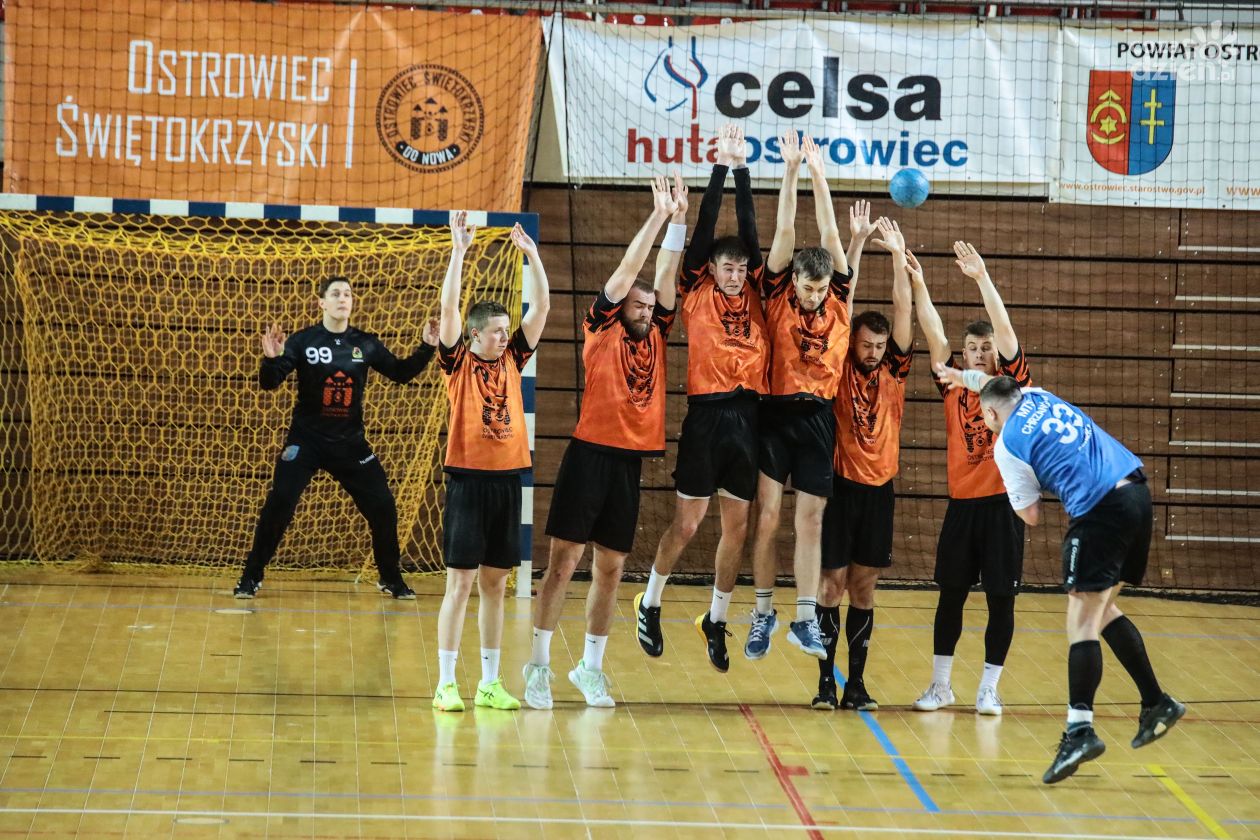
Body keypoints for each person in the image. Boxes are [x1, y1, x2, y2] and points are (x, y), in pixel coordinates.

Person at [934, 369, 1186, 783]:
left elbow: (1031, 515)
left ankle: (1080, 731)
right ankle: (1156, 702)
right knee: (1102, 612)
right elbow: (992, 385)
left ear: (991, 415)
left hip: (1100, 509)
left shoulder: (1006, 446)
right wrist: (961, 377)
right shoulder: (1039, 395)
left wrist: (1018, 488)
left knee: (1080, 622)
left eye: (986, 416)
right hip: (1137, 494)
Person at [523, 176, 684, 709]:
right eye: (636, 305)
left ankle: (589, 669)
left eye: (648, 307)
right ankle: (538, 665)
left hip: (628, 464)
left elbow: (666, 273)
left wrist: (679, 218)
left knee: (611, 568)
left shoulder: (655, 334)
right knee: (563, 563)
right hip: (587, 455)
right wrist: (656, 216)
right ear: (619, 307)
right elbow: (627, 273)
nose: (645, 311)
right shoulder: (601, 328)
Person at [633, 124, 770, 674]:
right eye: (727, 267)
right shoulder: (696, 289)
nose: (736, 274)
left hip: (749, 417)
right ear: (712, 269)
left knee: (737, 529)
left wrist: (744, 170)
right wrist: (721, 168)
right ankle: (650, 601)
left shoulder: (756, 289)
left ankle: (716, 618)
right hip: (707, 416)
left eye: (741, 268)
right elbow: (706, 229)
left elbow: (752, 234)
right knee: (687, 525)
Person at [233, 277, 438, 600]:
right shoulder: (303, 341)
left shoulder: (365, 344)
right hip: (306, 441)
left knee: (383, 507)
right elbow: (269, 383)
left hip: (350, 444)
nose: (343, 298)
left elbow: (400, 373)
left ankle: (390, 578)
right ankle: (251, 576)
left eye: (348, 294)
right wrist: (270, 359)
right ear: (322, 303)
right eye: (336, 294)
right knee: (280, 501)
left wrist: (427, 347)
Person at [431, 212, 550, 713]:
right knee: (460, 583)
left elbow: (541, 307)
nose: (505, 337)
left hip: (507, 481)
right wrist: (459, 252)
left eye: (507, 330)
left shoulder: (512, 360)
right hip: (467, 480)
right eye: (497, 331)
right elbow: (449, 308)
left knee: (495, 584)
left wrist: (533, 256)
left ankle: (489, 682)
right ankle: (445, 683)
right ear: (475, 335)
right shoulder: (457, 361)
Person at [907, 243, 1032, 717]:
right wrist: (919, 282)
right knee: (950, 597)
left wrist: (981, 278)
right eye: (972, 349)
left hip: (1003, 506)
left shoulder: (1012, 385)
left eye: (986, 349)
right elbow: (932, 330)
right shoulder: (953, 384)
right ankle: (941, 686)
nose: (979, 354)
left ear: (996, 355)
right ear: (964, 354)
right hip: (962, 506)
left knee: (1001, 601)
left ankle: (989, 689)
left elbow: (1005, 329)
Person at [746, 135, 854, 662]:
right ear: (794, 280)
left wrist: (819, 173)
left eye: (820, 288)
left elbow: (830, 233)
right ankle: (762, 612)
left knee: (810, 520)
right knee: (767, 517)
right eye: (808, 288)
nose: (814, 296)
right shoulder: (776, 293)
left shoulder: (838, 295)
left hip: (818, 419)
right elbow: (786, 229)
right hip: (774, 415)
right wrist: (791, 171)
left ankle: (805, 619)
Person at [815, 217, 913, 711]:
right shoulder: (839, 366)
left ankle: (856, 684)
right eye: (866, 345)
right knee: (830, 584)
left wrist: (897, 256)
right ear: (853, 342)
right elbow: (843, 302)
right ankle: (824, 683)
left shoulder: (894, 367)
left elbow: (903, 309)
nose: (874, 352)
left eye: (879, 345)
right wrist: (855, 243)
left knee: (864, 587)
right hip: (840, 487)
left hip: (879, 491)